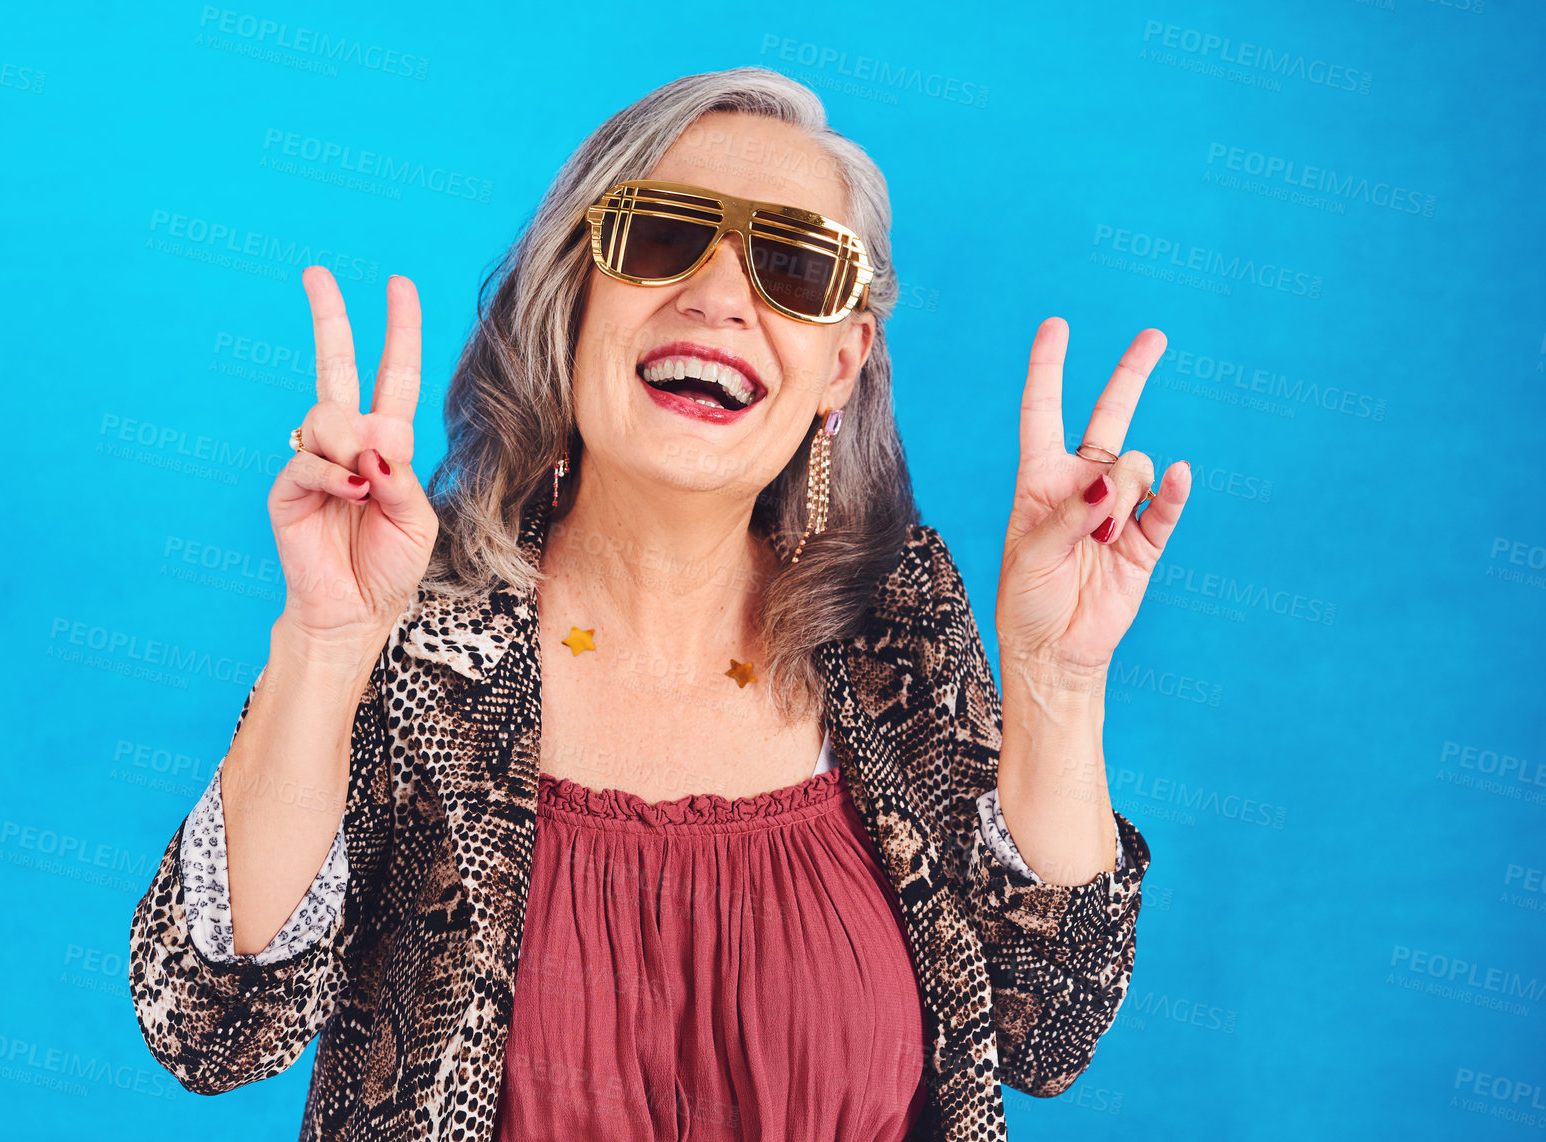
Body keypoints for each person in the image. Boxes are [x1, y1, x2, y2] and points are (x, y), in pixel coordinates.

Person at [130, 66, 1189, 1142]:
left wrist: (1058, 682)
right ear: (574, 294)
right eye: (663, 236)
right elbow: (214, 1028)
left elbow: (1047, 1026)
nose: (720, 297)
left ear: (840, 364)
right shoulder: (419, 618)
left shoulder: (891, 620)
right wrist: (325, 640)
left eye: (792, 266)